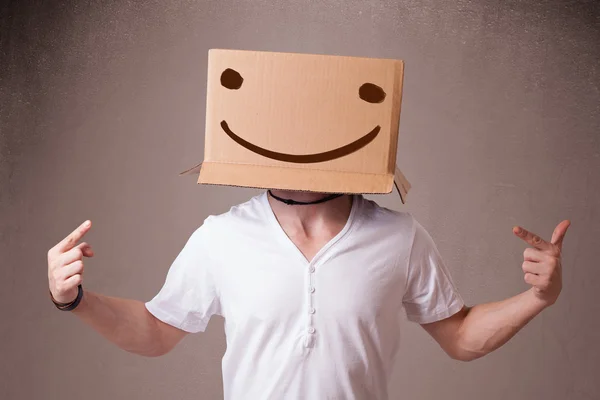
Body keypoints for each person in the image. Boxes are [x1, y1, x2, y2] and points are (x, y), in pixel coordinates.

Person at [47, 189, 570, 399]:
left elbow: (458, 336)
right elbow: (158, 331)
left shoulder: (400, 236)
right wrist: (74, 300)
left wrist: (537, 299)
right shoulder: (222, 235)